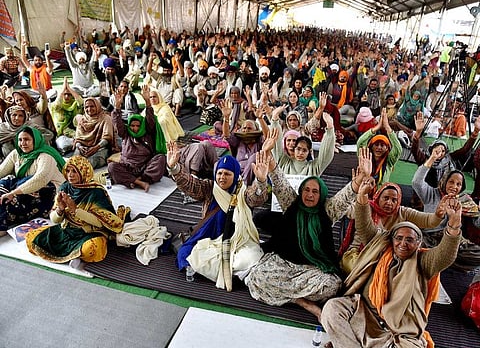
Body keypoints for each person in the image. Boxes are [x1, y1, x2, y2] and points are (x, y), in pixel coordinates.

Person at [321, 178, 462, 348]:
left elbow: (445, 255)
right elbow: (365, 226)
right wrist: (362, 196)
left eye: (410, 240)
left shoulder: (423, 261)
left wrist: (453, 225)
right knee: (332, 309)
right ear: (392, 239)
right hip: (365, 316)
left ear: (418, 243)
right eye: (399, 238)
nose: (403, 244)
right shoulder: (380, 247)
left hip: (398, 331)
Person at [245, 148, 370, 322]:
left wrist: (360, 179)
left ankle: (287, 295)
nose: (310, 195)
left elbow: (345, 198)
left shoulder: (327, 210)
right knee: (258, 276)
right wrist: (268, 156)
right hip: (284, 265)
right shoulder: (291, 202)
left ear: (321, 195)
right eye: (307, 190)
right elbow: (279, 181)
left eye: (315, 191)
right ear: (301, 190)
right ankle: (303, 302)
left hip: (311, 269)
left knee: (332, 286)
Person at [167, 142, 269, 291]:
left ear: (235, 175)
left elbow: (256, 198)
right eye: (220, 173)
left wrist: (260, 182)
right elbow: (190, 184)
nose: (222, 177)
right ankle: (225, 272)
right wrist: (174, 168)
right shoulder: (209, 188)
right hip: (208, 237)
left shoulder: (243, 193)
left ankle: (211, 270)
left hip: (237, 239)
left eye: (227, 174)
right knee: (184, 253)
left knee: (250, 258)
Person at [26, 155, 127, 265]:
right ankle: (76, 256)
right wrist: (60, 210)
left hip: (88, 232)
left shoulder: (96, 192)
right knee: (31, 238)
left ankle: (78, 255)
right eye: (68, 171)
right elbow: (54, 220)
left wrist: (76, 210)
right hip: (66, 230)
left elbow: (101, 222)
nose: (70, 175)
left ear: (83, 172)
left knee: (92, 249)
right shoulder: (64, 188)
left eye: (74, 171)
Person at [413, 156, 480, 272]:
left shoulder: (464, 200)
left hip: (452, 238)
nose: (454, 187)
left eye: (458, 184)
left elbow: (478, 223)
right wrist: (432, 158)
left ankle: (444, 260)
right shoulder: (431, 194)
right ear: (444, 181)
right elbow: (416, 182)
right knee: (413, 250)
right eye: (451, 182)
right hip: (429, 237)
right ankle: (443, 259)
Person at [0, 126, 65, 236]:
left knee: (12, 199)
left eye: (27, 140)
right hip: (23, 187)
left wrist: (13, 193)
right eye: (20, 140)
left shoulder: (46, 155)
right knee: (2, 187)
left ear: (35, 140)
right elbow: (2, 170)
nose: (23, 143)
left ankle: (2, 227)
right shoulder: (17, 153)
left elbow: (40, 179)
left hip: (47, 191)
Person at [108, 85, 167, 192]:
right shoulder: (125, 133)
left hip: (145, 166)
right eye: (132, 125)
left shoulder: (147, 132)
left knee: (161, 158)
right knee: (112, 167)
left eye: (138, 125)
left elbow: (150, 119)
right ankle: (140, 183)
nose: (135, 128)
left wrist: (147, 103)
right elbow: (117, 123)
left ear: (142, 125)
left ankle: (136, 180)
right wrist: (117, 107)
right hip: (127, 166)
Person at [357, 108, 402, 191]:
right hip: (362, 193)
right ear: (371, 146)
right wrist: (376, 127)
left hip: (379, 196)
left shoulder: (389, 161)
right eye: (376, 144)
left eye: (382, 145)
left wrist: (387, 127)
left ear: (387, 148)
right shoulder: (365, 157)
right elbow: (360, 142)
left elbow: (398, 149)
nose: (379, 148)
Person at [73, 97, 114, 169]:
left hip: (101, 148)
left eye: (92, 106)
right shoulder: (83, 120)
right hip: (85, 148)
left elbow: (107, 138)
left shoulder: (106, 118)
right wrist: (80, 147)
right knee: (74, 163)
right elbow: (78, 138)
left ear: (97, 106)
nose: (89, 109)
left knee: (88, 164)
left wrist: (96, 148)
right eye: (86, 107)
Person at [49, 77, 83, 154]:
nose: (67, 97)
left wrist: (70, 89)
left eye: (69, 95)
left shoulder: (74, 104)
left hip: (75, 131)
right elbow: (57, 105)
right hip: (61, 133)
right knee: (63, 145)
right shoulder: (56, 106)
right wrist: (63, 89)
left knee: (79, 117)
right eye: (65, 94)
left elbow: (81, 102)